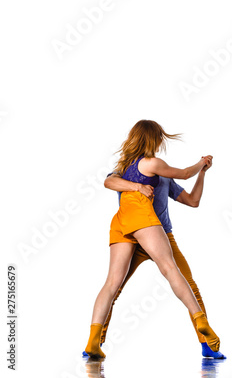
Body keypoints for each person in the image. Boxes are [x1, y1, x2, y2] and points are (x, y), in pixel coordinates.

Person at [84, 120, 220, 358]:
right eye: (159, 138)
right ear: (153, 139)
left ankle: (93, 344)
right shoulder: (137, 166)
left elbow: (192, 201)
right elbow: (109, 181)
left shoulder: (151, 173)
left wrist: (203, 174)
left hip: (145, 232)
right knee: (178, 277)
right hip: (148, 230)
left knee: (112, 286)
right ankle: (205, 333)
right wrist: (201, 162)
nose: (161, 142)